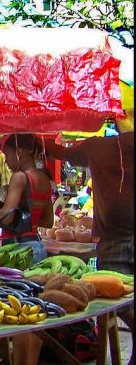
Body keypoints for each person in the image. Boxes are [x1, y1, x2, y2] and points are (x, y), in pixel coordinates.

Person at [44, 131, 133, 337]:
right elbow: (62, 153)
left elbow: (61, 152)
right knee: (113, 300)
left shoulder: (98, 146)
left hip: (113, 238)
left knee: (114, 300)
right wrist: (43, 139)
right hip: (112, 239)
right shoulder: (97, 146)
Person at [0, 134, 50, 264]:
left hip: (20, 249)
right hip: (37, 245)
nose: (6, 161)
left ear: (19, 153)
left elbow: (7, 217)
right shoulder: (44, 179)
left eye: (7, 155)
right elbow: (48, 221)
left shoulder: (19, 177)